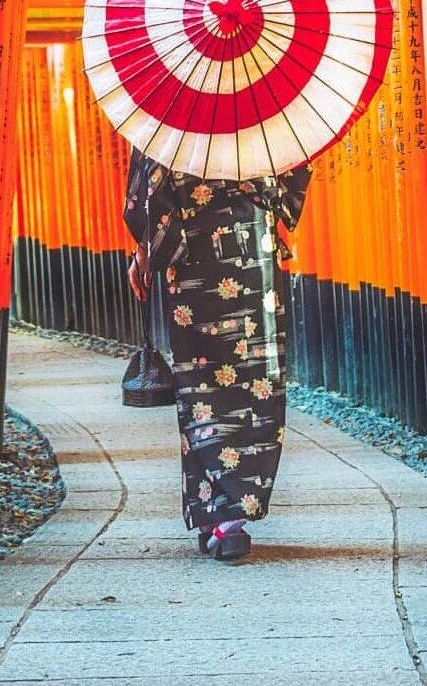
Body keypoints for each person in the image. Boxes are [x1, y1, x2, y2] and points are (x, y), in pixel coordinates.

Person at [123, 147, 311, 561]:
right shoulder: (266, 109)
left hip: (192, 258)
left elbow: (146, 192)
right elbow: (294, 168)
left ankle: (214, 511)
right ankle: (230, 517)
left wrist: (142, 249)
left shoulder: (172, 109)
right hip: (251, 253)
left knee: (202, 386)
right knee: (253, 382)